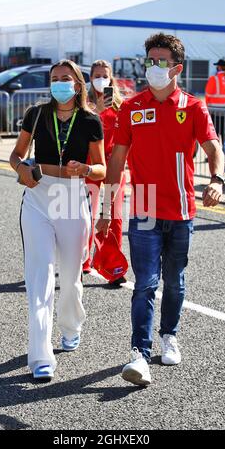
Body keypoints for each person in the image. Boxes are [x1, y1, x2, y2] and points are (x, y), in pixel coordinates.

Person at [97, 33, 225, 386]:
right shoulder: (131, 108)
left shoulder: (194, 107)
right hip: (145, 208)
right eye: (149, 61)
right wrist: (107, 208)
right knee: (145, 284)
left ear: (176, 68)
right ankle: (139, 352)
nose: (153, 67)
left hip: (182, 209)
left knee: (175, 282)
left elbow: (213, 147)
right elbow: (117, 160)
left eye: (161, 62)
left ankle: (169, 334)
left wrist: (216, 179)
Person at [10, 59, 106, 381]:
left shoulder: (91, 120)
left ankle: (70, 325)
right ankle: (40, 356)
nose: (59, 83)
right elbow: (16, 155)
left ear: (78, 84)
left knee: (70, 275)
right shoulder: (36, 114)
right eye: (54, 78)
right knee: (39, 280)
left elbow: (102, 167)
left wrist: (88, 171)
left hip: (72, 195)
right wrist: (22, 169)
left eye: (66, 78)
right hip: (38, 195)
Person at [83, 59, 127, 285]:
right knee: (85, 216)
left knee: (114, 216)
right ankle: (83, 259)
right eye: (97, 75)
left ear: (112, 78)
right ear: (90, 78)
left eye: (105, 75)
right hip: (91, 167)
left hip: (114, 166)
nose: (101, 79)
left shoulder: (121, 105)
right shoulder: (84, 104)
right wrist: (97, 112)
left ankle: (114, 267)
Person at [205, 59, 225, 145]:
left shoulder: (214, 78)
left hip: (214, 110)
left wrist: (208, 107)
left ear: (219, 67)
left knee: (214, 134)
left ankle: (215, 155)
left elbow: (208, 94)